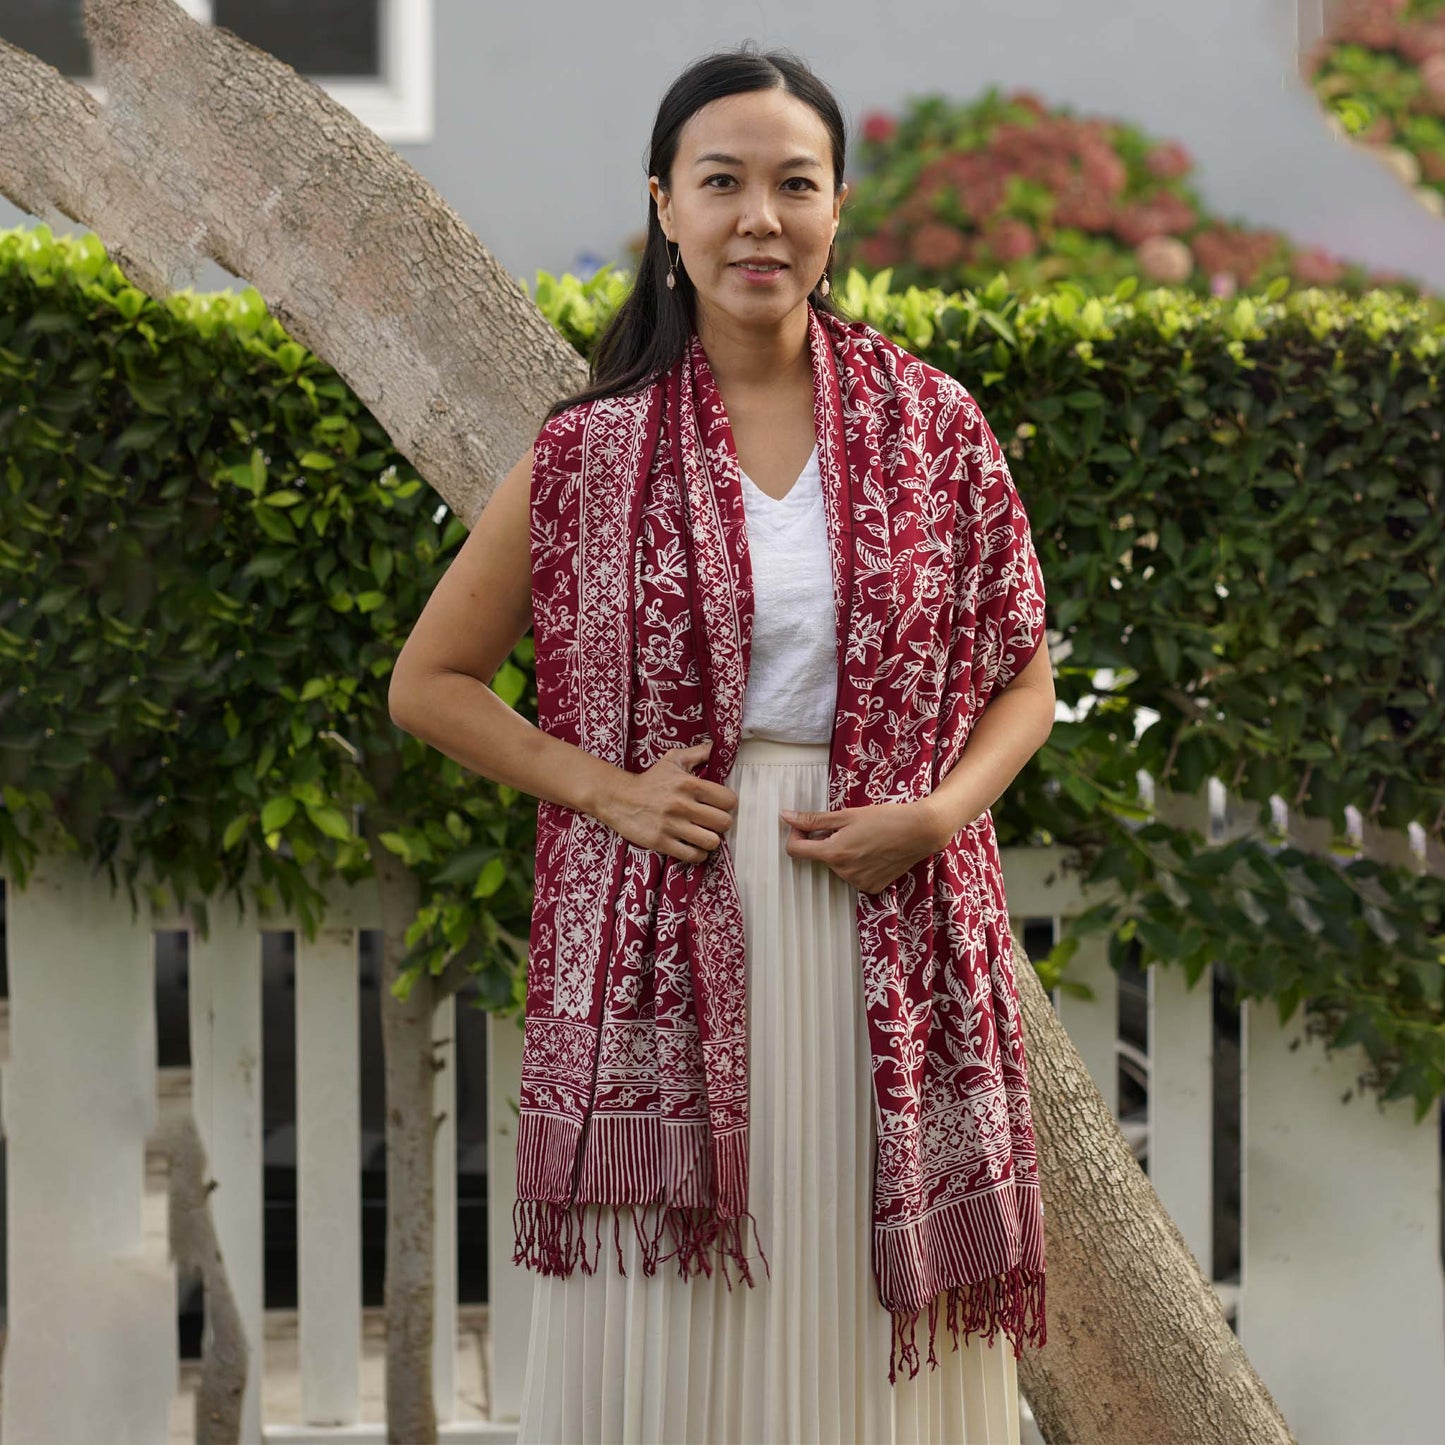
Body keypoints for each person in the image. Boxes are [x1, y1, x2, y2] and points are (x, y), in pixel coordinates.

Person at [389, 41, 1053, 1445]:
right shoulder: (583, 456)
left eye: (793, 183)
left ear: (836, 208)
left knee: (871, 1339)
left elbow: (1022, 683)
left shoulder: (937, 430)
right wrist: (605, 793)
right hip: (669, 937)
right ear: (664, 208)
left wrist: (937, 817)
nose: (760, 217)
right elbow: (432, 680)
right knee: (675, 1331)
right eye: (722, 183)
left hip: (887, 925)